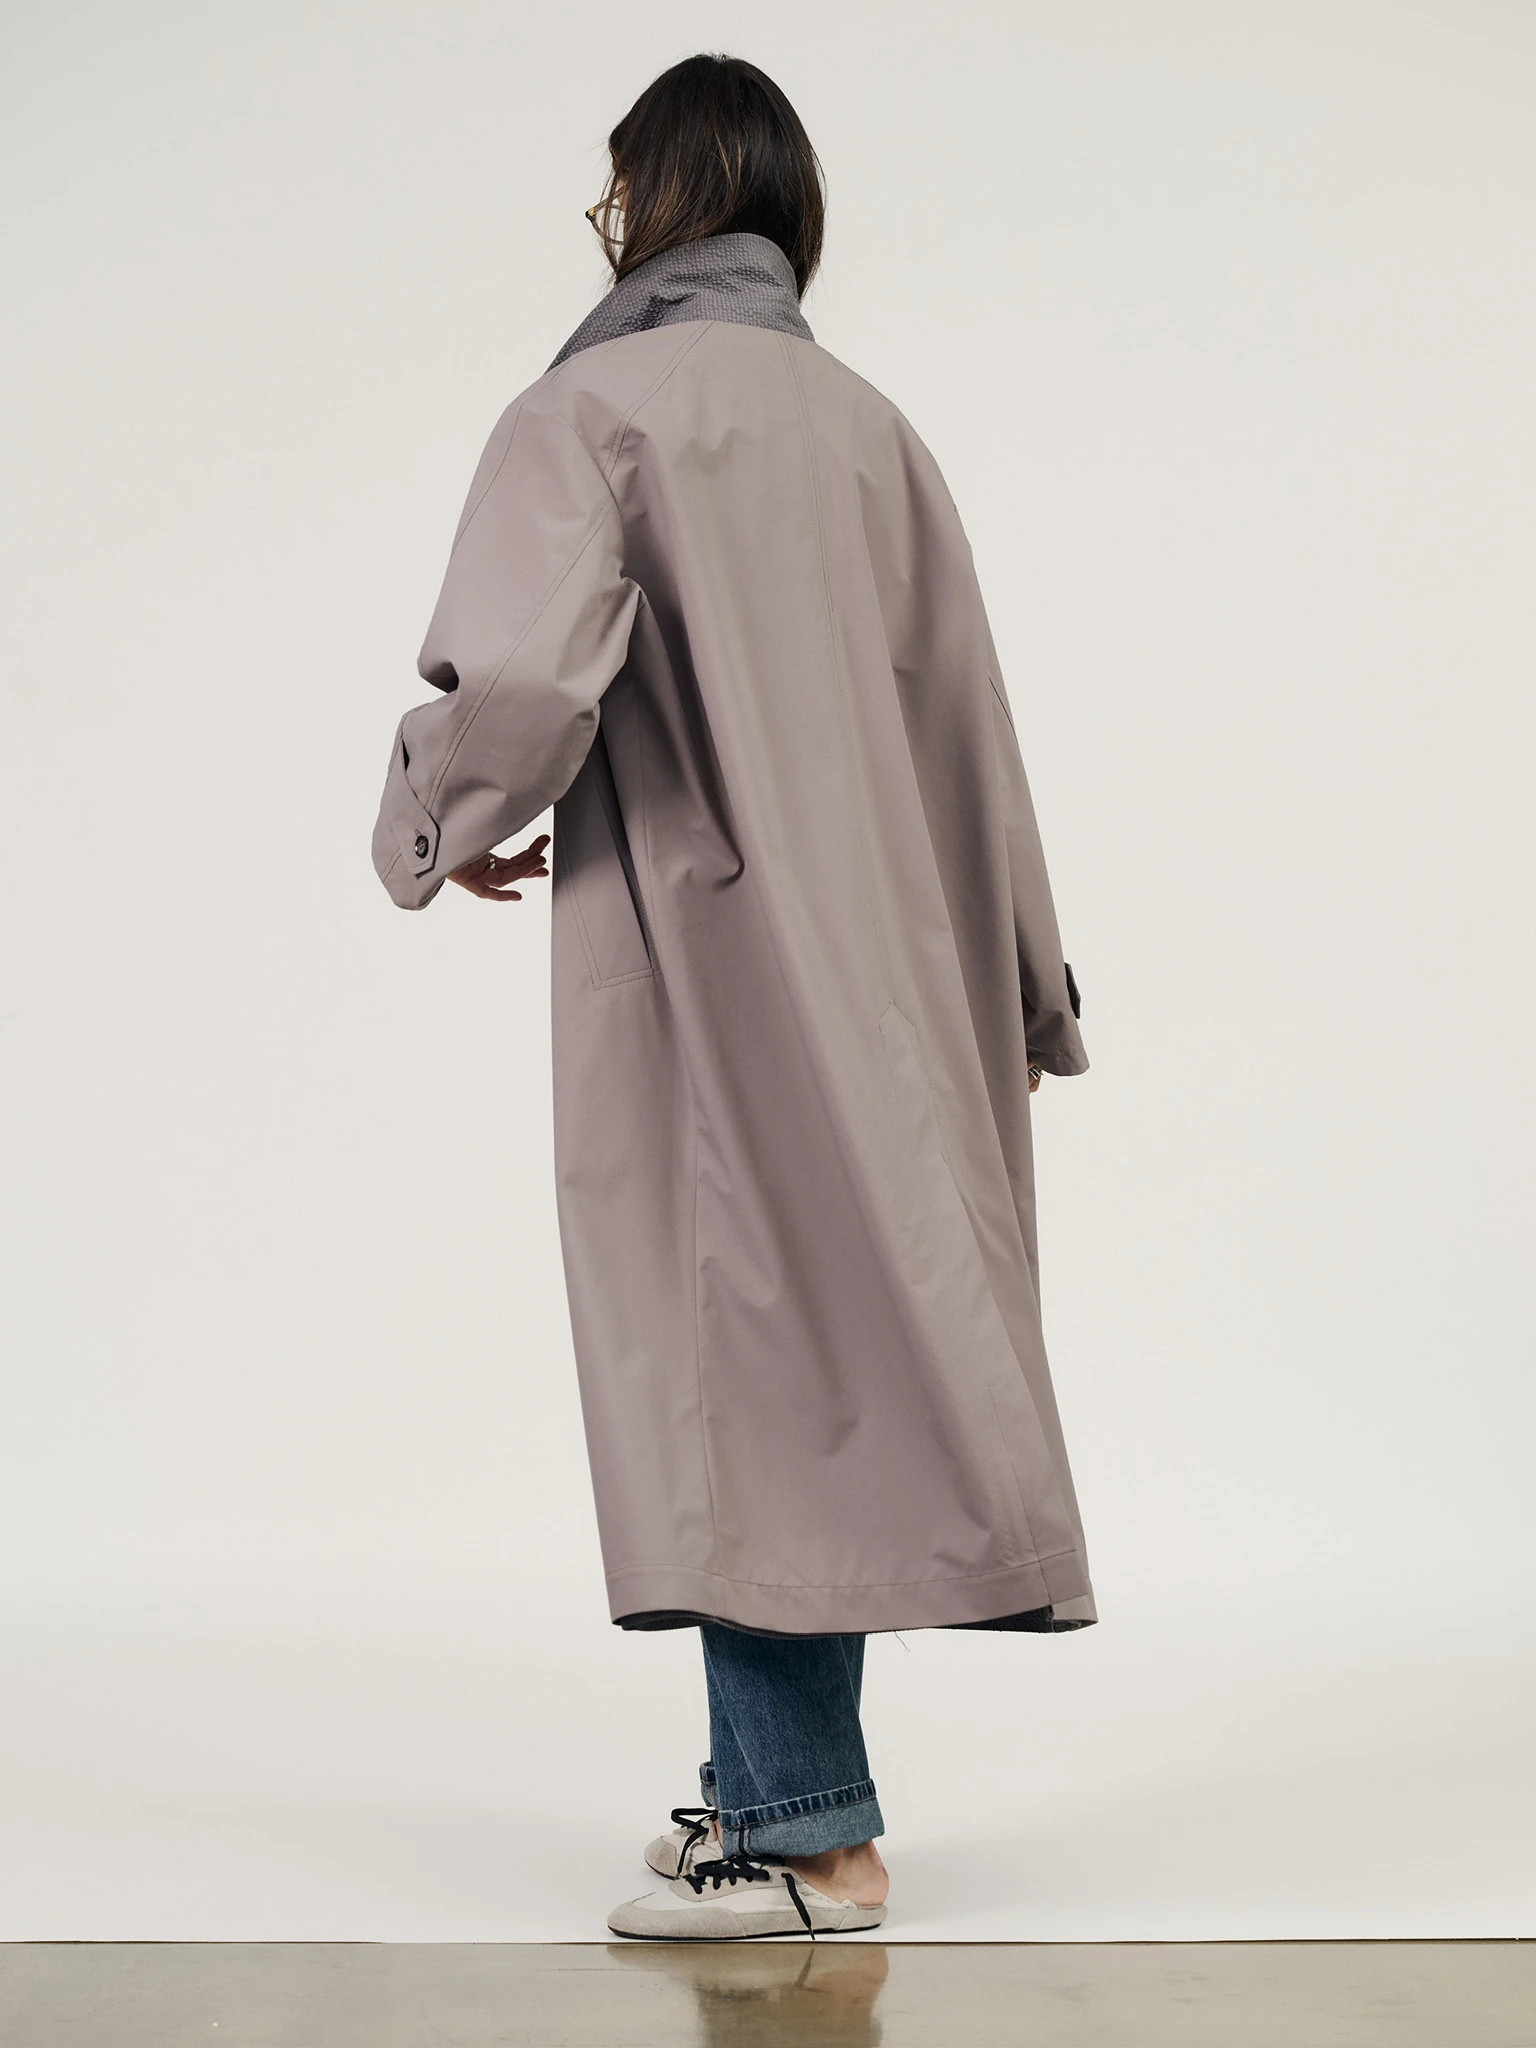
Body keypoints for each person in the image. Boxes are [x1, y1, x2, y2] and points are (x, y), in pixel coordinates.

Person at [372, 53, 1095, 1941]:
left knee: (738, 1360)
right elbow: (974, 726)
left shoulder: (591, 408)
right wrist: (1028, 986)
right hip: (899, 973)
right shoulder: (873, 429)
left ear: (652, 200)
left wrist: (436, 820)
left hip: (708, 959)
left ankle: (805, 1842)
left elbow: (523, 684)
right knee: (810, 1360)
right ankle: (776, 1791)